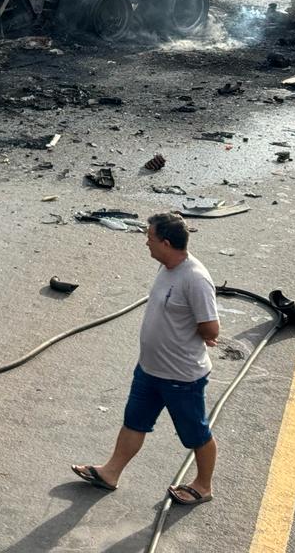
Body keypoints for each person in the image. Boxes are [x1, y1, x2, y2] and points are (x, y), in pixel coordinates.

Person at [72, 212, 221, 506]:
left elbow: (211, 327)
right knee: (134, 422)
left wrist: (201, 332)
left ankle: (204, 485)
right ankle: (110, 473)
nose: (146, 243)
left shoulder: (195, 278)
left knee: (195, 433)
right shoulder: (167, 268)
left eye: (150, 238)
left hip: (181, 377)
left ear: (166, 242)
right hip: (151, 369)